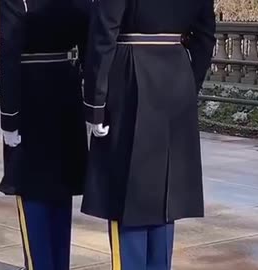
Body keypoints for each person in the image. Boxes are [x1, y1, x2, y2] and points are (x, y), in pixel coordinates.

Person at [82, 0, 216, 269]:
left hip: (130, 76)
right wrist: (188, 84)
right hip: (176, 75)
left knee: (125, 194)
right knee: (165, 199)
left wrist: (95, 104)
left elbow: (104, 32)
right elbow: (205, 36)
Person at [0, 0, 91, 269]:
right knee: (61, 190)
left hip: (30, 95)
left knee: (32, 188)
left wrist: (9, 117)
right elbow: (89, 42)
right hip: (66, 89)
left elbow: (9, 54)